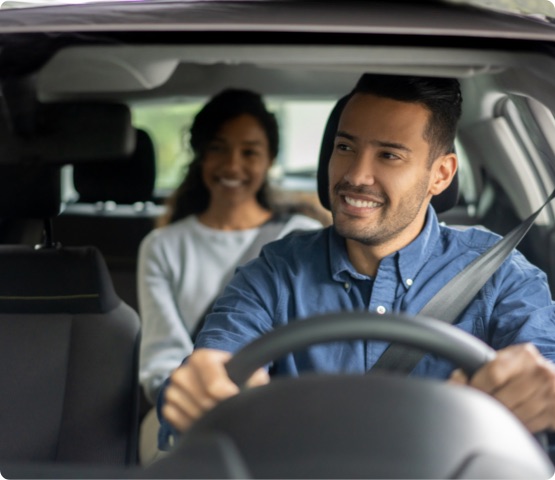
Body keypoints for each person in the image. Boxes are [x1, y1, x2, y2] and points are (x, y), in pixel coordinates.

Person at [158, 74, 555, 452]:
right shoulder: (275, 272)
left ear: (441, 175)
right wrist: (198, 389)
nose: (356, 175)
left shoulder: (499, 274)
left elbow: (544, 370)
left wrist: (541, 392)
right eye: (345, 147)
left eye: (388, 155)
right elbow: (210, 369)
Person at [136, 88, 322, 464]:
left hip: (284, 405)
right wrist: (200, 397)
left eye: (249, 152)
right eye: (219, 148)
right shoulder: (163, 246)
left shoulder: (300, 238)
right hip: (193, 405)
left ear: (269, 159)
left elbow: (314, 345)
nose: (232, 166)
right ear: (201, 154)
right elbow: (162, 357)